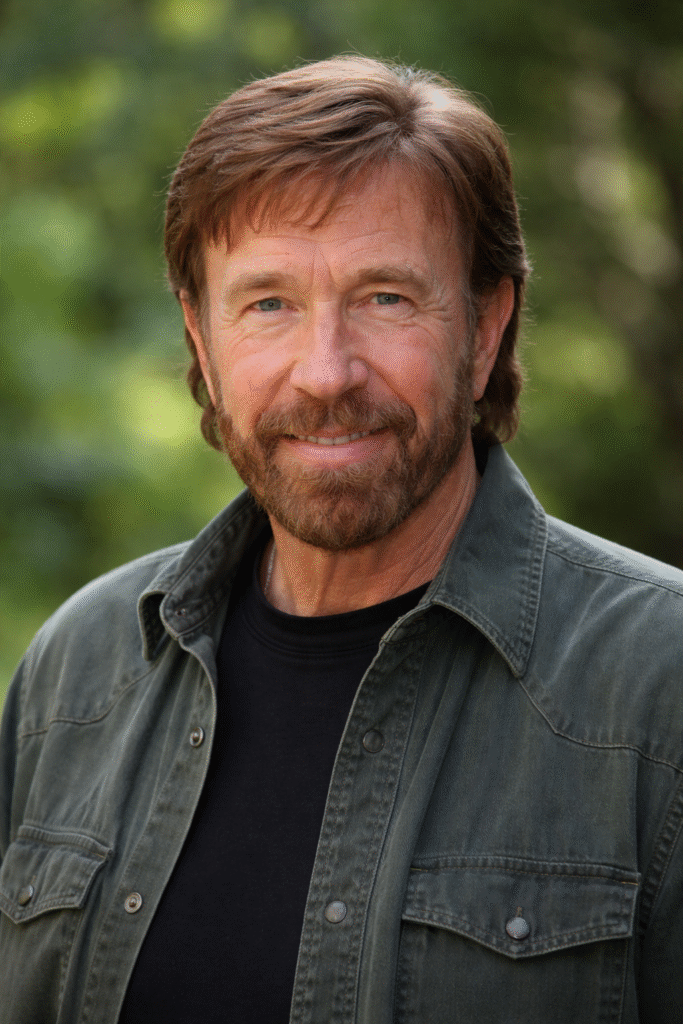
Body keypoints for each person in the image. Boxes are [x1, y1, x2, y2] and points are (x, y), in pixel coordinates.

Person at [1, 55, 682, 1024]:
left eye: (385, 297)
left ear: (485, 328)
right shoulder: (78, 670)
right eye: (268, 303)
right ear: (201, 340)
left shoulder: (658, 686)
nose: (324, 372)